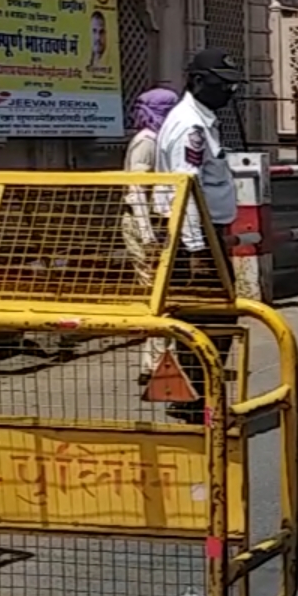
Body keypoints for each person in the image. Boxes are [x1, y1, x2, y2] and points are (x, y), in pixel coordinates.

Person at [151, 49, 246, 424]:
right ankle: (197, 402)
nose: (230, 93)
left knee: (206, 320)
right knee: (213, 320)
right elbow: (184, 190)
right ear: (198, 82)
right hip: (195, 240)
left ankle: (196, 398)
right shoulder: (190, 126)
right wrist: (196, 249)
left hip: (204, 236)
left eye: (233, 85)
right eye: (223, 85)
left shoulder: (203, 121)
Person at [124, 86, 182, 380]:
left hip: (159, 223)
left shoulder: (162, 140)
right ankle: (155, 362)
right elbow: (136, 189)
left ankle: (157, 360)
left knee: (162, 295)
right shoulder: (146, 141)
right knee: (155, 294)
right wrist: (147, 235)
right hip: (142, 223)